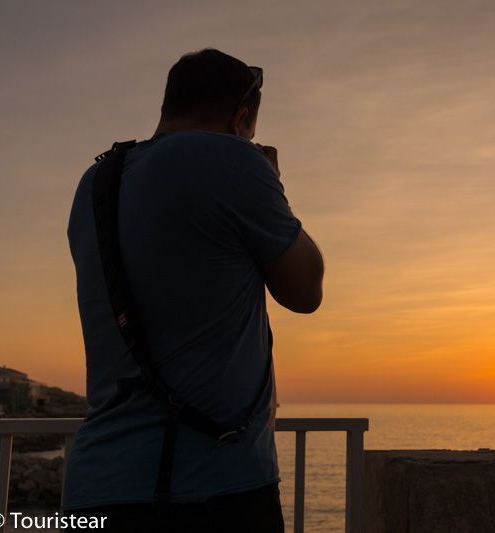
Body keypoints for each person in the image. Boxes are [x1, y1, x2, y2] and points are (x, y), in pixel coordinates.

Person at [63, 48, 324, 532]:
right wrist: (272, 184)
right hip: (213, 488)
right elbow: (306, 290)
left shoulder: (96, 181)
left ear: (167, 108)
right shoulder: (234, 161)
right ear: (241, 118)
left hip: (95, 487)